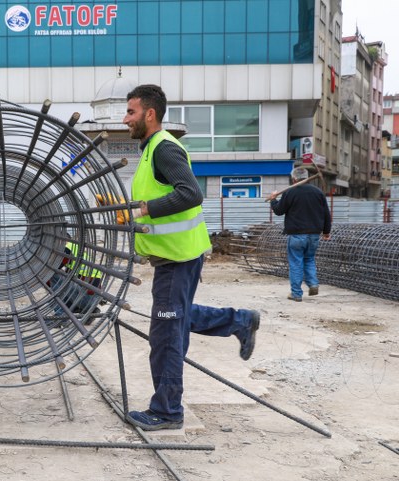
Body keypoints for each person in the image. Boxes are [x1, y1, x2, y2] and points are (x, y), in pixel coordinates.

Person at [122, 84, 260, 431]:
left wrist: (144, 209)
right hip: (174, 256)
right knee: (174, 317)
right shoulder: (152, 150)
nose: (126, 119)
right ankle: (240, 321)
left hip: (178, 257)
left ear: (149, 114)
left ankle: (167, 411)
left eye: (131, 112)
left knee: (166, 334)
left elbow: (191, 194)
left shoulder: (164, 148)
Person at [267, 169, 331, 302]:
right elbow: (326, 213)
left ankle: (296, 294)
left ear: (294, 179)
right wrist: (326, 232)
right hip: (314, 234)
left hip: (297, 235)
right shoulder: (318, 192)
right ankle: (313, 284)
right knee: (309, 259)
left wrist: (273, 200)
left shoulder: (290, 192)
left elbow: (279, 211)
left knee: (296, 263)